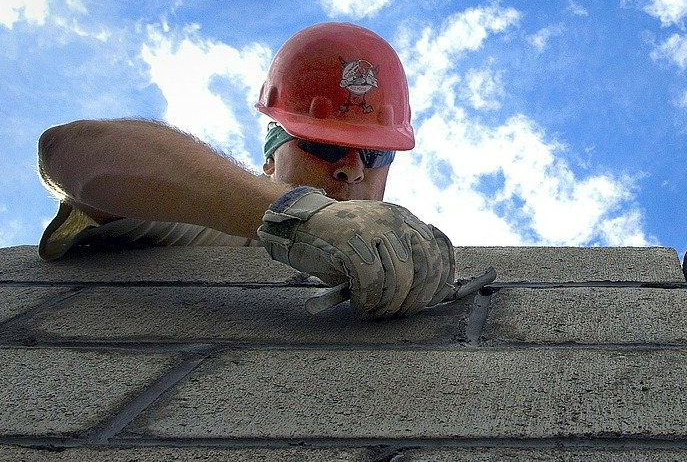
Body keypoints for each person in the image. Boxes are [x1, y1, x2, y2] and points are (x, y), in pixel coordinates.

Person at [37, 21, 456, 317]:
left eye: (374, 155)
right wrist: (302, 215)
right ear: (272, 157)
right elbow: (68, 150)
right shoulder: (198, 221)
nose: (352, 170)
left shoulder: (402, 263)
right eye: (323, 146)